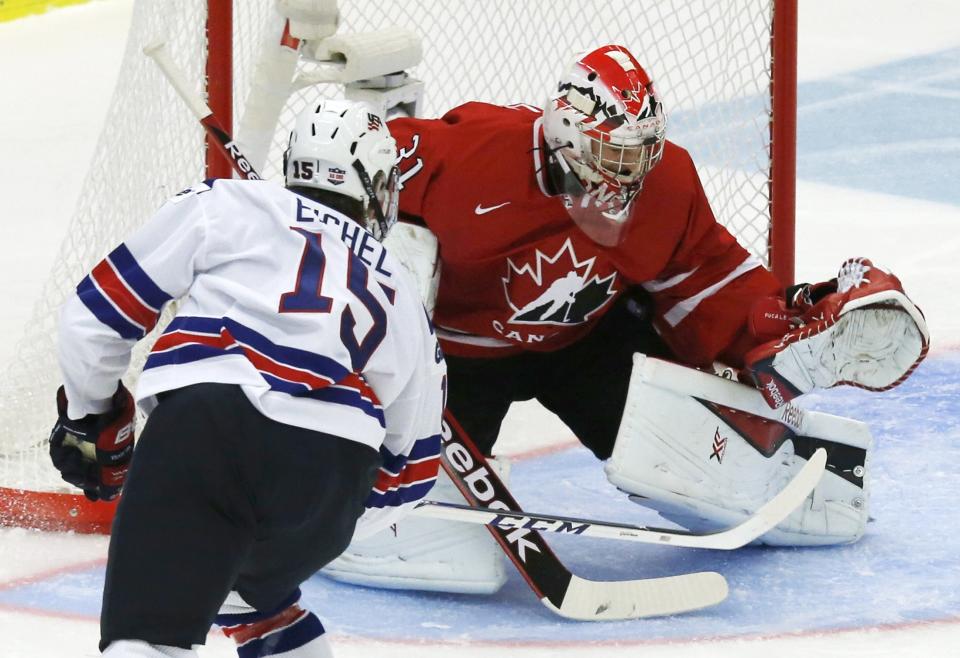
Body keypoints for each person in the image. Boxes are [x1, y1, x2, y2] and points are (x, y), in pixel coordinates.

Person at [322, 44, 929, 594]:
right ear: (565, 132)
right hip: (460, 357)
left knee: (688, 461)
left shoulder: (664, 184)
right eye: (614, 153)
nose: (630, 170)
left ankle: (785, 375)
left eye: (640, 152)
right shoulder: (471, 151)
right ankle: (327, 489)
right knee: (438, 545)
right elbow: (356, 174)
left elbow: (705, 275)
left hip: (588, 341)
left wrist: (770, 325)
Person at [48, 99, 447, 657]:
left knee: (146, 638)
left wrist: (94, 416)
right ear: (377, 187)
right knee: (261, 604)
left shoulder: (225, 201)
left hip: (211, 426)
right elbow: (413, 474)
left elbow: (94, 320)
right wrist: (326, 513)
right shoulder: (403, 291)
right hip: (331, 475)